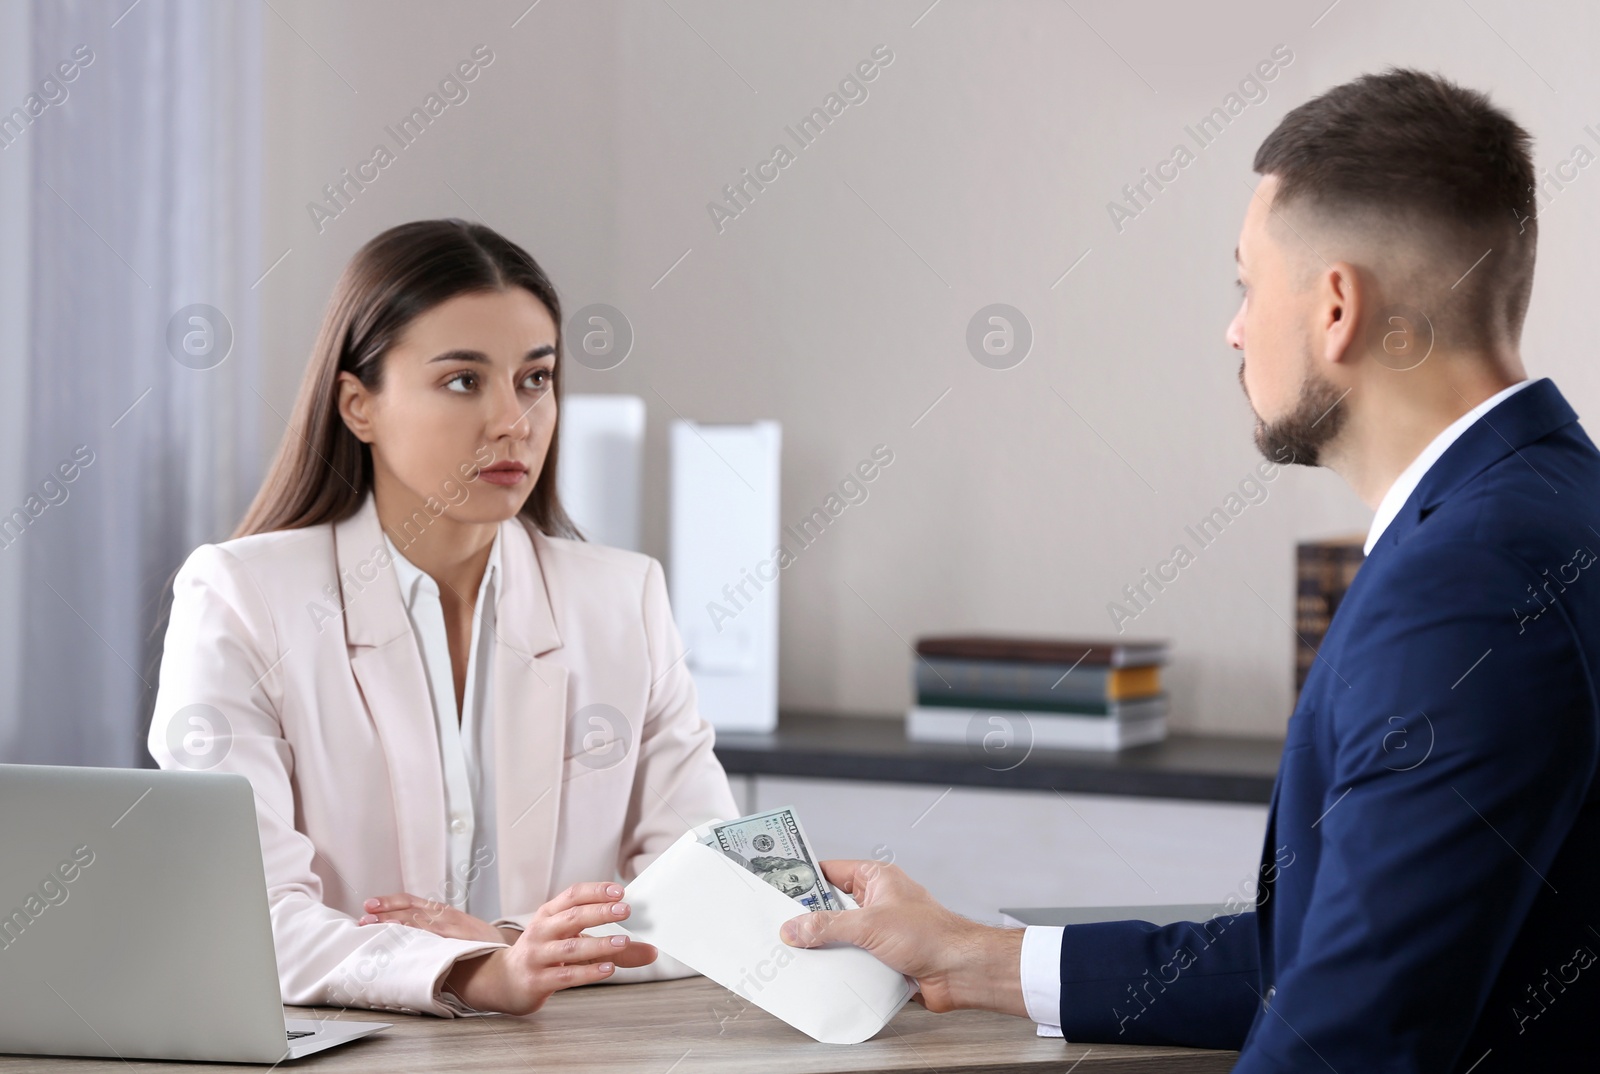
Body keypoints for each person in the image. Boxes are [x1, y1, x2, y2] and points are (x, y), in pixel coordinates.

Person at [781, 68, 1600, 1072]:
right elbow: (1326, 951)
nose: (1234, 327)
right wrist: (970, 957)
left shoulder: (1464, 581)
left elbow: (1349, 1035)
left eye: (1247, 286)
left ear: (1335, 306)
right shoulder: (1545, 507)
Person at [148, 219, 738, 1017]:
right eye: (464, 381)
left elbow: (714, 893)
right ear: (359, 404)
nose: (513, 421)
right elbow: (244, 916)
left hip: (571, 1058)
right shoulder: (239, 596)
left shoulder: (623, 600)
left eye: (535, 379)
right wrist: (471, 971)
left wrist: (505, 939)